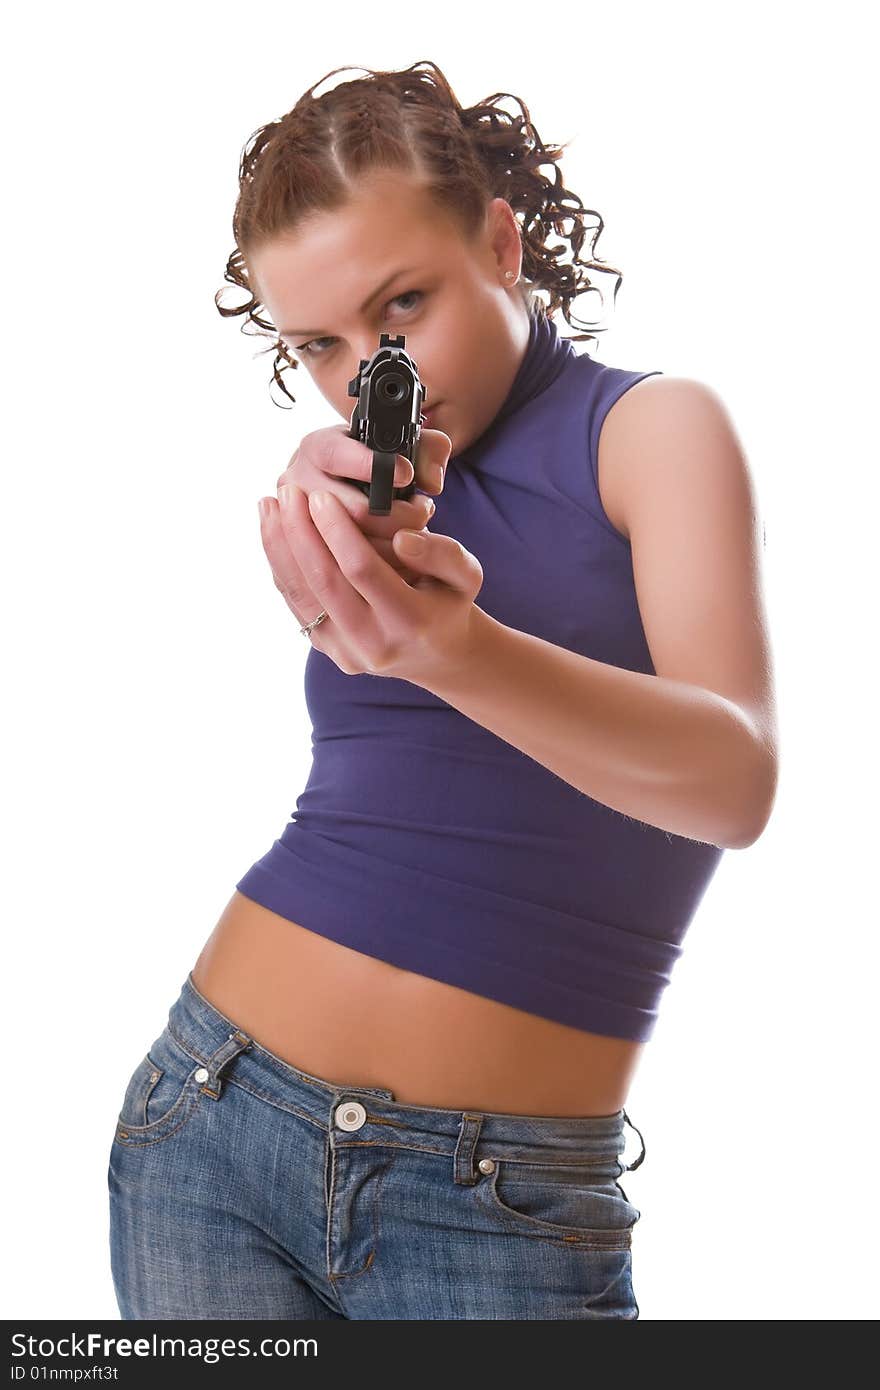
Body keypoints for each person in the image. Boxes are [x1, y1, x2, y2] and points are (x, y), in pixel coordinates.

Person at [107, 60, 778, 1321]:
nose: (366, 370)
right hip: (211, 1121)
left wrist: (450, 652)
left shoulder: (647, 430)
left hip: (494, 1197)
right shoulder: (372, 476)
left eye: (401, 306)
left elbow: (734, 781)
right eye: (319, 344)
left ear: (500, 238)